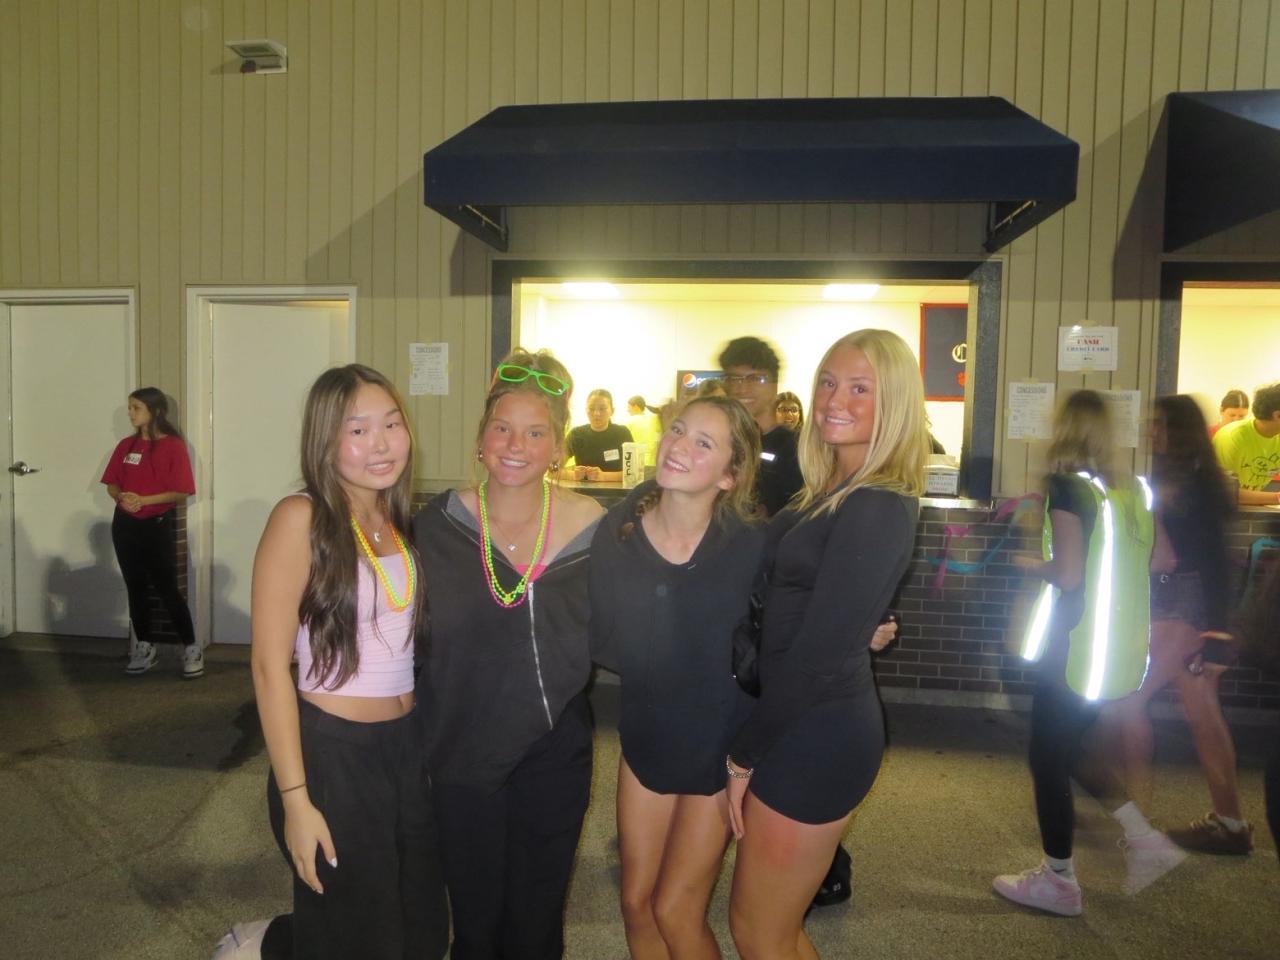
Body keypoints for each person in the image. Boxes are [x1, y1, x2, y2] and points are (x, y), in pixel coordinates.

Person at [724, 329, 927, 960]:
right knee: (769, 929)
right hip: (803, 721)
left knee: (760, 931)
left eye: (861, 388)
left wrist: (743, 756)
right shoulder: (832, 490)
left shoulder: (876, 503)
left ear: (894, 401)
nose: (836, 400)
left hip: (816, 733)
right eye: (829, 383)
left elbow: (816, 658)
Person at [248, 364, 448, 960]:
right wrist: (296, 800)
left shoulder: (397, 517)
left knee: (420, 921)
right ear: (325, 440)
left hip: (405, 746)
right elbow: (268, 667)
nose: (380, 444)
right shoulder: (301, 517)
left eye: (391, 424)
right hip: (334, 752)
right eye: (357, 430)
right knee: (358, 933)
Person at [414, 349, 605, 960]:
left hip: (554, 749)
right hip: (461, 746)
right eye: (502, 427)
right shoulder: (436, 527)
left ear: (558, 447)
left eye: (535, 432)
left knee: (536, 919)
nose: (516, 444)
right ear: (480, 440)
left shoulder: (595, 528)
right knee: (474, 919)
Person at [993, 389, 1183, 918]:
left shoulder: (1067, 488)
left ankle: (1058, 880)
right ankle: (1143, 839)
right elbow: (1163, 559)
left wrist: (1032, 563)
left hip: (1072, 647)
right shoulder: (1131, 490)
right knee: (1074, 751)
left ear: (1065, 429)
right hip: (1116, 647)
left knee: (1047, 757)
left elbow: (1069, 573)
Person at [590, 395, 764, 960]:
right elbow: (599, 633)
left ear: (730, 476)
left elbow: (796, 625)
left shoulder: (753, 546)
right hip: (648, 736)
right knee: (636, 902)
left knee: (676, 909)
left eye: (703, 443)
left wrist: (870, 627)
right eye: (679, 430)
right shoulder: (618, 533)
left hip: (720, 747)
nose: (680, 446)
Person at [1107, 396, 1253, 854]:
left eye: (1159, 424)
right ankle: (1230, 823)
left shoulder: (1189, 483)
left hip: (1181, 607)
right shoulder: (1189, 477)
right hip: (1188, 609)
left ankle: (1139, 824)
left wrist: (1219, 631)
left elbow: (1211, 559)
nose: (1150, 430)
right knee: (1203, 714)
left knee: (1130, 701)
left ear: (1179, 429)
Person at [100, 387, 201, 679]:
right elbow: (112, 483)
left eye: (136, 408)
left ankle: (191, 647)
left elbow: (181, 491)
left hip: (155, 524)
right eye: (129, 408)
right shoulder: (126, 446)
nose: (130, 413)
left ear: (155, 411)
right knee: (135, 585)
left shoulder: (173, 446)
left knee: (166, 586)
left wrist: (144, 500)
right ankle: (144, 645)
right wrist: (122, 497)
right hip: (125, 524)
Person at [719, 336, 805, 517]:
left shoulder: (795, 447)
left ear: (774, 384)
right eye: (734, 378)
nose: (742, 388)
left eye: (756, 378)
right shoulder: (722, 439)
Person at [1212, 380, 1280, 505]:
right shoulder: (1232, 437)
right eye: (1232, 415)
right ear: (1277, 415)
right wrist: (1277, 498)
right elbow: (1224, 492)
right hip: (1220, 509)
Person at [564, 387, 634, 482]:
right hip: (583, 491)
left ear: (612, 411)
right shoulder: (576, 434)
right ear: (586, 410)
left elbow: (633, 473)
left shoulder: (622, 433)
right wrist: (573, 475)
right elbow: (553, 469)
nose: (596, 413)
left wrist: (604, 476)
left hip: (616, 491)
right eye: (591, 409)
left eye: (602, 409)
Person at [626, 394, 662, 466]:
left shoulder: (629, 422)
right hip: (651, 462)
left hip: (636, 462)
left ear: (635, 406)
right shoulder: (654, 419)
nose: (628, 410)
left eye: (629, 407)